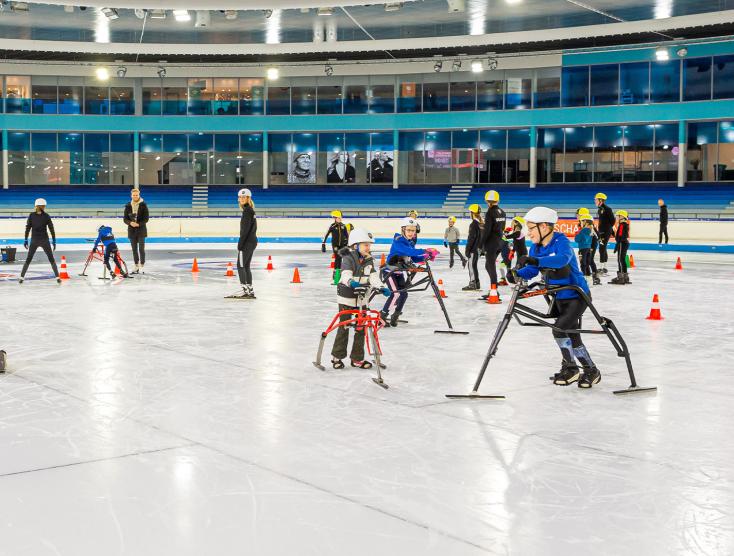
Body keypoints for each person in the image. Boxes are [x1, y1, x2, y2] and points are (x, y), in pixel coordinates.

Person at [510, 206, 602, 388]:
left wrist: (535, 261)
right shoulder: (535, 248)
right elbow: (532, 270)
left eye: (531, 228)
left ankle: (572, 367)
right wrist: (517, 273)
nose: (528, 233)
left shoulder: (561, 242)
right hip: (558, 297)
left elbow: (562, 260)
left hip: (577, 295)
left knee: (559, 329)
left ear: (544, 226)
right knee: (572, 335)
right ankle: (586, 370)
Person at [331, 228, 390, 369]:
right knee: (344, 326)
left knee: (361, 327)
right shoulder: (348, 258)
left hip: (363, 298)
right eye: (365, 245)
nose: (368, 248)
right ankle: (337, 357)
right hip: (347, 296)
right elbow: (345, 275)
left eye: (369, 245)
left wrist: (381, 286)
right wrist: (351, 282)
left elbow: (373, 276)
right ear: (355, 245)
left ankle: (357, 358)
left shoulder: (369, 259)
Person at [380, 217, 439, 327]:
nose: (411, 233)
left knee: (404, 294)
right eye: (409, 230)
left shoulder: (410, 243)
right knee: (395, 294)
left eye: (413, 230)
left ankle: (396, 315)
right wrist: (425, 250)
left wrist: (426, 257)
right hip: (389, 272)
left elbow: (411, 258)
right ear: (403, 230)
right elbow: (408, 251)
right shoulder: (398, 240)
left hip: (399, 272)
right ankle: (382, 316)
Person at [19, 198, 60, 284]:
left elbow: (51, 228)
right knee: (30, 258)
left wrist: (54, 240)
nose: (44, 207)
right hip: (38, 240)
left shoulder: (43, 216)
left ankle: (57, 277)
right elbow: (28, 228)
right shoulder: (35, 215)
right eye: (43, 206)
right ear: (39, 206)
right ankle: (22, 277)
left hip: (41, 240)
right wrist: (26, 239)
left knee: (49, 258)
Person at [480, 190, 506, 298]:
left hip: (491, 243)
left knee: (490, 266)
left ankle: (494, 291)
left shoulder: (490, 212)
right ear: (497, 200)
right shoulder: (502, 211)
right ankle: (493, 288)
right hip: (499, 242)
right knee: (488, 265)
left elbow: (487, 231)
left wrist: (481, 244)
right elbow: (502, 228)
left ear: (487, 201)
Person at [234, 188, 258, 298]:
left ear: (248, 198)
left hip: (247, 242)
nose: (241, 199)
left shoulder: (247, 211)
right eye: (240, 197)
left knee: (240, 266)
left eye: (244, 197)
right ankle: (250, 290)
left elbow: (245, 231)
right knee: (246, 266)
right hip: (251, 241)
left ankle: (245, 291)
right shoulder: (250, 210)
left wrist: (240, 244)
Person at [123, 188, 150, 274]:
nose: (135, 196)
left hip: (141, 230)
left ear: (139, 195)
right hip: (131, 230)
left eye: (136, 195)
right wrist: (130, 223)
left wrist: (139, 224)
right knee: (134, 249)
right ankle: (136, 265)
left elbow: (146, 219)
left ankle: (142, 265)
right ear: (131, 195)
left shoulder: (143, 205)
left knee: (141, 249)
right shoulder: (128, 206)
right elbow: (125, 219)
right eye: (133, 195)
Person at [322, 210, 349, 280]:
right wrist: (323, 243)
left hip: (342, 245)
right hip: (335, 245)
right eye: (338, 218)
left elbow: (347, 236)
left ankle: (338, 272)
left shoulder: (343, 226)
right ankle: (335, 272)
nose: (340, 219)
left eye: (340, 218)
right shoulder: (332, 226)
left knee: (340, 258)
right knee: (337, 257)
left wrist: (348, 244)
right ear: (335, 218)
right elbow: (326, 234)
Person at [576, 207, 600, 285]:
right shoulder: (581, 224)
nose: (577, 216)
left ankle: (595, 276)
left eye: (578, 215)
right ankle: (588, 276)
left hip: (590, 245)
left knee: (590, 261)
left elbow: (596, 236)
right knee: (587, 261)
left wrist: (592, 247)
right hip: (587, 245)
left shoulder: (589, 225)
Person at [462, 204, 483, 291]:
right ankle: (476, 283)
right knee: (474, 266)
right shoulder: (481, 223)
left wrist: (467, 250)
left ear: (472, 213)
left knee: (471, 266)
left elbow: (471, 238)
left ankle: (473, 283)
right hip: (478, 249)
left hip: (474, 249)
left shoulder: (474, 224)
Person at [594, 193, 615, 275]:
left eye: (596, 200)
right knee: (603, 248)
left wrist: (607, 229)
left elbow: (612, 221)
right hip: (601, 231)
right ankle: (604, 267)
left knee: (602, 248)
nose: (595, 201)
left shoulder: (607, 209)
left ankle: (603, 267)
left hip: (605, 231)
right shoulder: (600, 209)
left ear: (600, 200)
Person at [609, 210, 631, 285]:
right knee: (622, 259)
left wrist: (617, 243)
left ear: (621, 217)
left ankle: (621, 278)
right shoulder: (624, 224)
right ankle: (625, 277)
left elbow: (620, 236)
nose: (616, 217)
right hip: (624, 243)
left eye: (617, 216)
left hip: (622, 243)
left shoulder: (622, 225)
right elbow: (620, 235)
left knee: (620, 259)